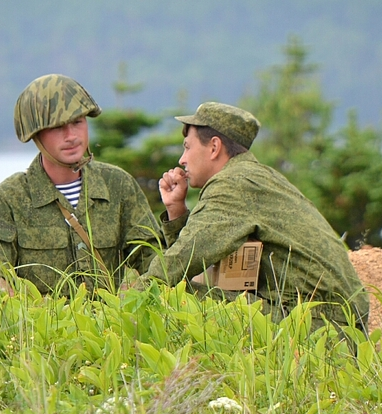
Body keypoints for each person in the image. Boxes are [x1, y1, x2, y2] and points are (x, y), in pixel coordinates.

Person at [144, 101, 369, 330]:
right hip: (335, 320)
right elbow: (194, 259)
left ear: (214, 147)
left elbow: (180, 262)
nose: (182, 159)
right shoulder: (255, 177)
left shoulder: (233, 184)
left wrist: (129, 298)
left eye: (187, 147)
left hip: (318, 323)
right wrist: (176, 211)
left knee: (175, 294)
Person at [0, 74, 163, 295]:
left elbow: (154, 260)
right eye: (57, 127)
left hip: (110, 326)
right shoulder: (8, 199)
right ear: (36, 134)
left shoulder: (117, 186)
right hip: (41, 326)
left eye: (77, 122)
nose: (71, 135)